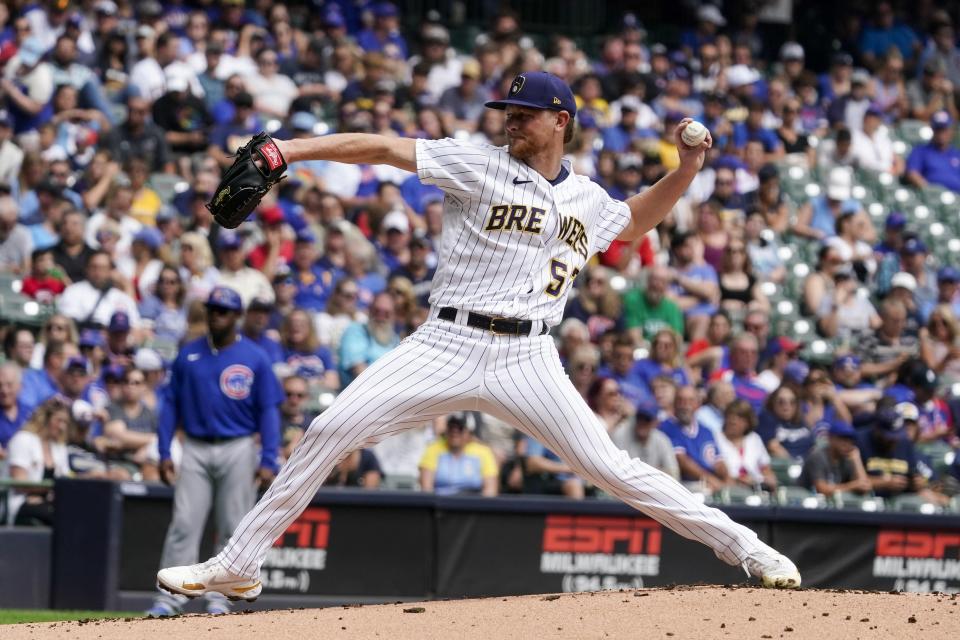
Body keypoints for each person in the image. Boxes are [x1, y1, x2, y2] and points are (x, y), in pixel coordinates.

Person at [156, 71, 800, 602]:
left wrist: (687, 169)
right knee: (329, 429)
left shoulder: (586, 197)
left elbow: (632, 223)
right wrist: (288, 151)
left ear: (560, 121)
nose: (511, 122)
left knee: (613, 468)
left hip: (530, 355)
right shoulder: (476, 161)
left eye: (524, 113)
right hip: (446, 343)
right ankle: (239, 563)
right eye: (507, 112)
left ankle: (748, 546)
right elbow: (383, 147)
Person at [148, 286, 283, 618]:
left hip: (238, 445)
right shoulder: (188, 354)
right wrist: (164, 450)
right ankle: (171, 596)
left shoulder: (255, 357)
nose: (216, 315)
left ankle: (220, 597)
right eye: (212, 309)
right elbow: (169, 406)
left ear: (236, 316)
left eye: (223, 311)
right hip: (194, 445)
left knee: (233, 526)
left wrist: (268, 457)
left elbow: (268, 411)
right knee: (184, 522)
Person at [5, 396, 72, 526]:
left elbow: (65, 479)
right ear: (45, 419)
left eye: (66, 423)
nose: (62, 427)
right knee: (58, 516)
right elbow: (19, 483)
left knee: (75, 512)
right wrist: (46, 491)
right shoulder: (23, 439)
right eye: (59, 420)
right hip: (22, 503)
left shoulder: (59, 447)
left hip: (49, 502)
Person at [419, 413, 498, 496]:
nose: (455, 431)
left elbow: (490, 491)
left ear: (469, 432)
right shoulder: (433, 449)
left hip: (473, 505)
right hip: (440, 504)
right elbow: (426, 488)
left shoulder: (483, 452)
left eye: (460, 428)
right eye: (451, 427)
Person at [799, 419, 871, 497]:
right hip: (805, 501)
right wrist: (853, 486)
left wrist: (857, 460)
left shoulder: (848, 458)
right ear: (830, 438)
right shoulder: (817, 456)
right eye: (842, 439)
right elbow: (822, 490)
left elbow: (865, 487)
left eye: (850, 440)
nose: (847, 444)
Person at [610, 400, 679, 480]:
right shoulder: (620, 434)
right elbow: (615, 470)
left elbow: (674, 474)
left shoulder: (662, 440)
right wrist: (656, 472)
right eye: (640, 418)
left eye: (647, 419)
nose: (642, 423)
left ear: (655, 422)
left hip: (652, 487)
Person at [715, 399, 776, 490]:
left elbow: (765, 467)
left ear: (748, 422)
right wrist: (740, 479)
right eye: (730, 416)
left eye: (739, 418)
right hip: (729, 486)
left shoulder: (754, 438)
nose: (733, 421)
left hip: (755, 486)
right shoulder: (715, 438)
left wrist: (769, 478)